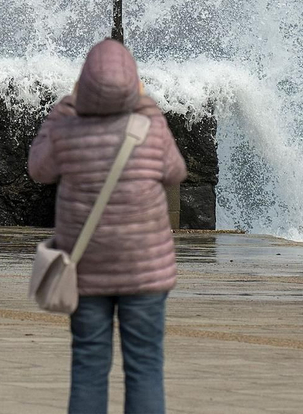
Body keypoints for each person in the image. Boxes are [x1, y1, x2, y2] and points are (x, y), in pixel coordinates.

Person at [28, 38, 187, 413]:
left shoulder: (67, 132)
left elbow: (38, 168)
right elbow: (175, 172)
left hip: (86, 270)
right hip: (145, 271)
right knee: (145, 366)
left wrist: (65, 106)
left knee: (88, 363)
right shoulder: (149, 127)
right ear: (133, 85)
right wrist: (146, 104)